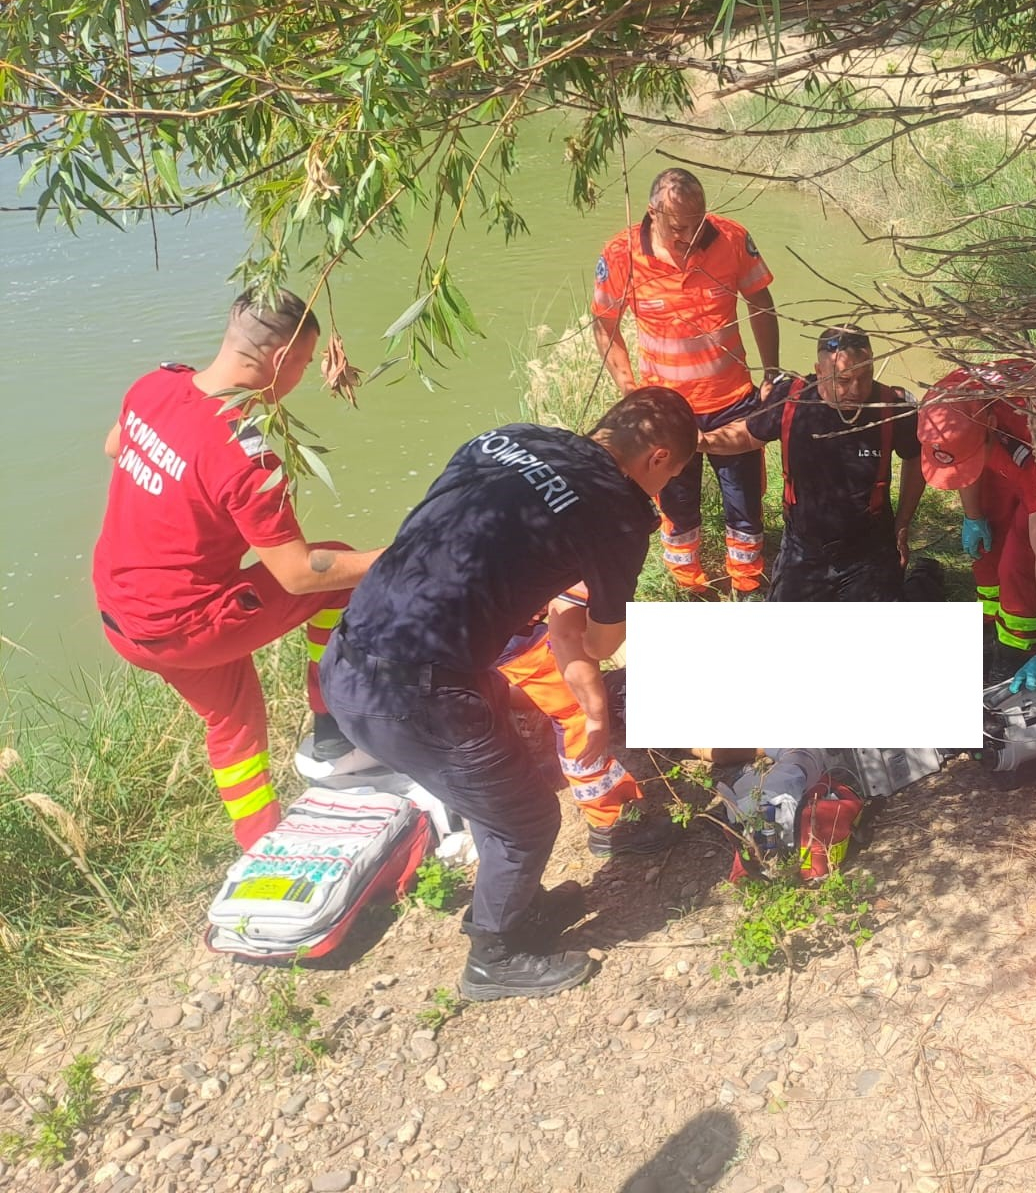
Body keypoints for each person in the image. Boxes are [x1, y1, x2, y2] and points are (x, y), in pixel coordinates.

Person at [319, 389, 697, 1003]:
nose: (665, 488)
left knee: (503, 791)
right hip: (412, 692)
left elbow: (457, 539)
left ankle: (515, 910)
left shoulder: (511, 435)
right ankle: (493, 959)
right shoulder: (621, 514)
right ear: (657, 458)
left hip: (351, 655)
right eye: (673, 475)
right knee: (526, 818)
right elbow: (601, 644)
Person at [92, 290, 382, 849]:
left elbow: (114, 445)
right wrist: (401, 555)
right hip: (187, 625)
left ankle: (260, 844)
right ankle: (332, 729)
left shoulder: (153, 387)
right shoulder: (245, 458)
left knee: (233, 720)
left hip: (123, 619)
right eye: (305, 362)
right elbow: (300, 574)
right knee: (339, 569)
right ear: (281, 360)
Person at [591, 168, 781, 598]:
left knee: (745, 503)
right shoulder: (622, 254)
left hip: (732, 401)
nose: (690, 236)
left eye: (697, 224)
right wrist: (630, 392)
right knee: (675, 507)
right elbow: (604, 325)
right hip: (664, 410)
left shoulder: (731, 239)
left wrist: (771, 373)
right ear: (652, 212)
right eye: (679, 227)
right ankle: (689, 584)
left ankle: (747, 585)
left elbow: (761, 304)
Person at [918, 361, 1036, 689]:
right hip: (999, 438)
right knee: (988, 549)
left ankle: (1018, 648)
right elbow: (964, 460)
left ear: (991, 424)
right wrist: (974, 516)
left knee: (1020, 563)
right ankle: (990, 625)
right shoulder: (942, 407)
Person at [699, 326, 926, 601]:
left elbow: (916, 458)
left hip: (869, 548)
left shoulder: (891, 407)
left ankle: (924, 577)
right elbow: (748, 435)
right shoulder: (792, 399)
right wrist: (704, 442)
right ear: (819, 372)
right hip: (803, 547)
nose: (856, 389)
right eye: (843, 380)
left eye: (864, 377)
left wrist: (902, 523)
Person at [496, 583, 672, 858]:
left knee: (575, 695)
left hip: (477, 623)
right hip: (499, 630)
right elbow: (569, 633)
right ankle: (609, 823)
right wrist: (595, 715)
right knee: (577, 715)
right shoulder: (587, 553)